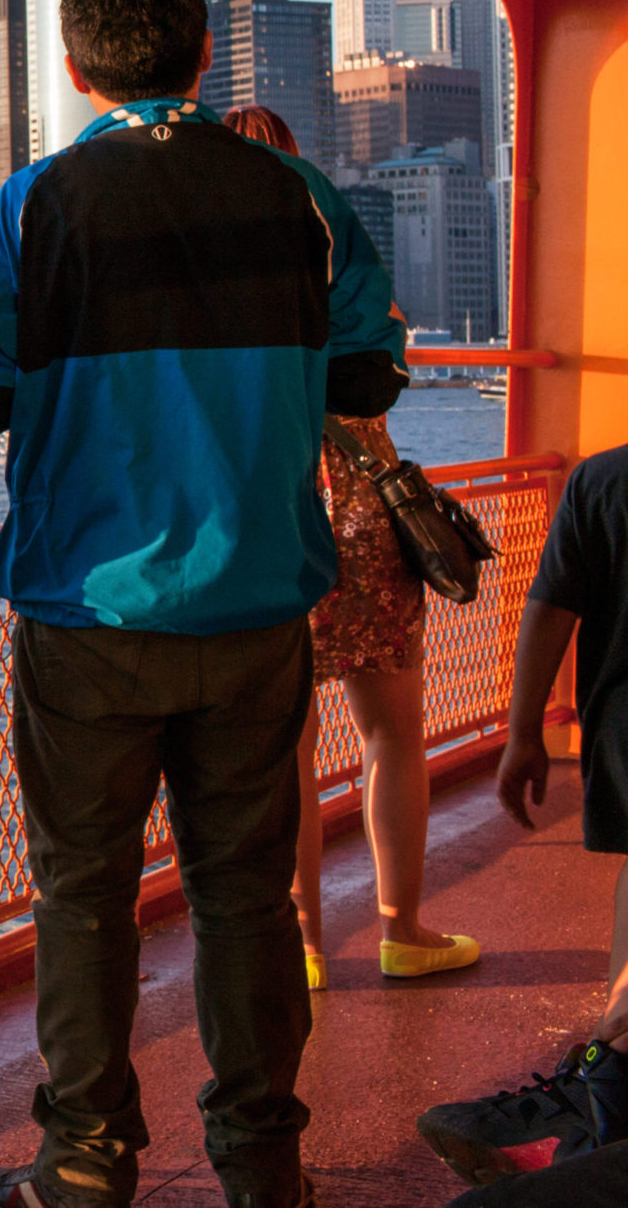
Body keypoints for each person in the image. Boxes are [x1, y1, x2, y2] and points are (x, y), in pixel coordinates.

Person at [0, 0, 406, 1208]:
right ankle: (262, 1163)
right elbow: (368, 369)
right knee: (244, 895)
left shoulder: (32, 205)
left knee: (81, 894)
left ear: (75, 69)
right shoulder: (298, 194)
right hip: (257, 595)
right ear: (203, 55)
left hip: (87, 604)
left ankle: (84, 1161)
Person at [218, 103, 476, 989]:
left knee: (286, 742)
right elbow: (386, 343)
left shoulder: (213, 271)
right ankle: (402, 929)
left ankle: (304, 945)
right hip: (361, 499)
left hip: (268, 503)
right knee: (391, 728)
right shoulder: (333, 238)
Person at [413, 441, 628, 1189]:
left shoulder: (603, 480)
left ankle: (603, 1092)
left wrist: (523, 732)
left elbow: (551, 605)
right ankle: (607, 1087)